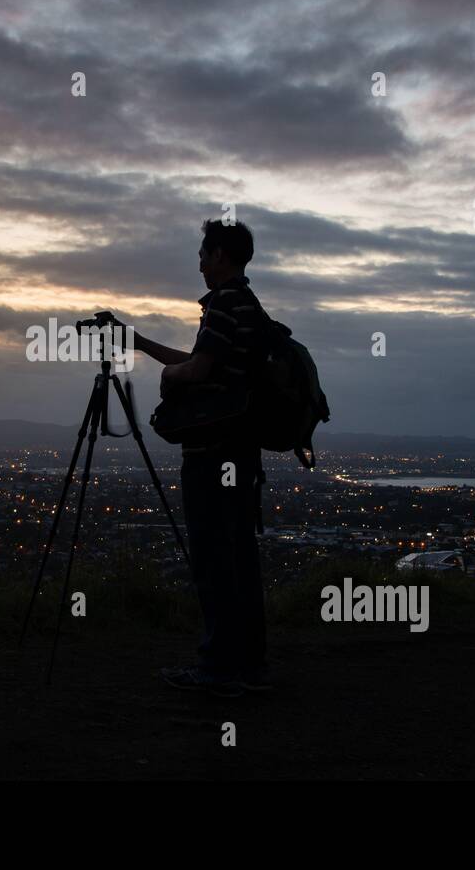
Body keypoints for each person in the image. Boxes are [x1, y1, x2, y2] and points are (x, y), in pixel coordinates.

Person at [124, 219, 272, 698]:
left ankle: (217, 669)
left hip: (214, 453)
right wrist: (143, 344)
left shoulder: (226, 304)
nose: (201, 263)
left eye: (206, 254)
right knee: (238, 558)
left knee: (213, 558)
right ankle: (246, 665)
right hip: (239, 452)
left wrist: (171, 380)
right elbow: (198, 360)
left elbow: (198, 367)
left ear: (224, 255)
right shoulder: (247, 306)